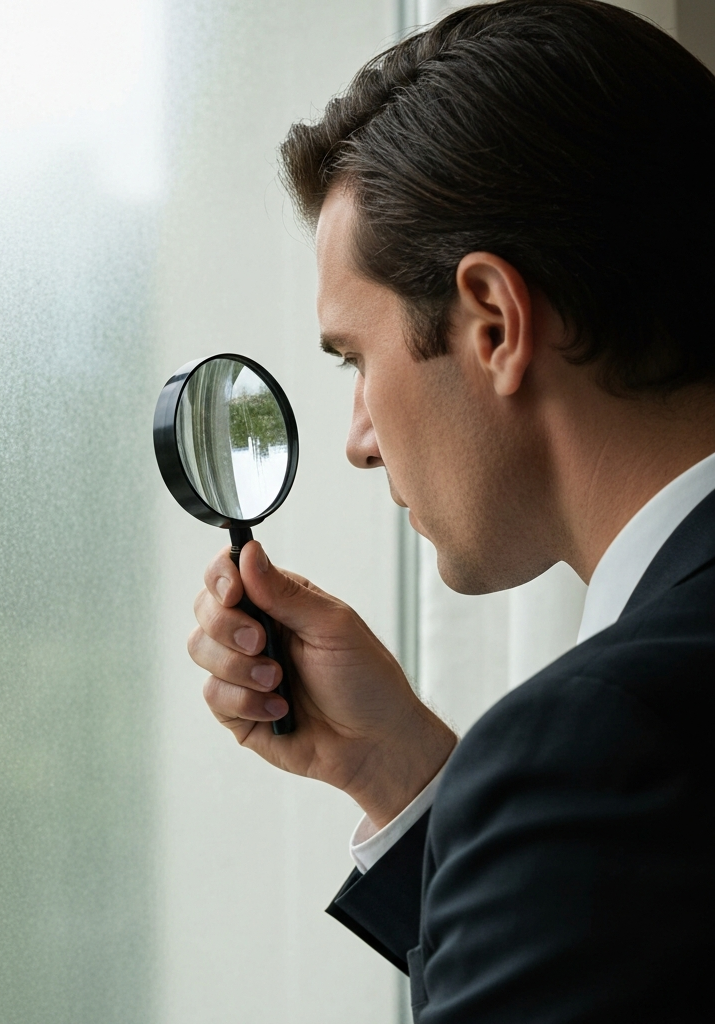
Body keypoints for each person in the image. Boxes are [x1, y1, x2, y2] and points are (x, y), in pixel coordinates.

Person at [187, 2, 714, 1020]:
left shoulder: (604, 739)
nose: (357, 438)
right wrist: (404, 772)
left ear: (492, 322)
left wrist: (523, 787)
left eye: (355, 358)